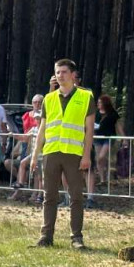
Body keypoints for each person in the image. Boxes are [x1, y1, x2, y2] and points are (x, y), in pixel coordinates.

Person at [28, 59, 96, 249]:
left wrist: (86, 155)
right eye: (58, 72)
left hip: (74, 154)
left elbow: (89, 130)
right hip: (51, 152)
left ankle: (76, 237)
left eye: (64, 72)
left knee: (75, 197)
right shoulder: (48, 99)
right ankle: (46, 237)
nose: (60, 76)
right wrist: (35, 155)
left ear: (73, 75)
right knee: (49, 196)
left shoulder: (85, 97)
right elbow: (42, 129)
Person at [87, 95, 124, 207]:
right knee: (98, 159)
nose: (98, 104)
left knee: (102, 157)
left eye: (100, 102)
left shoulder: (113, 114)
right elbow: (91, 125)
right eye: (97, 102)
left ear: (105, 103)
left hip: (108, 138)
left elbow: (118, 127)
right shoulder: (96, 113)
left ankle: (105, 171)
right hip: (97, 138)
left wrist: (124, 138)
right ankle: (103, 178)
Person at [10, 94, 43, 202]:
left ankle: (38, 195)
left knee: (39, 175)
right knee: (23, 163)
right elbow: (24, 137)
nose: (37, 120)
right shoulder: (33, 128)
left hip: (42, 154)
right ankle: (20, 183)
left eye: (39, 119)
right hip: (32, 152)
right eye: (36, 119)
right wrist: (13, 134)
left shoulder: (46, 129)